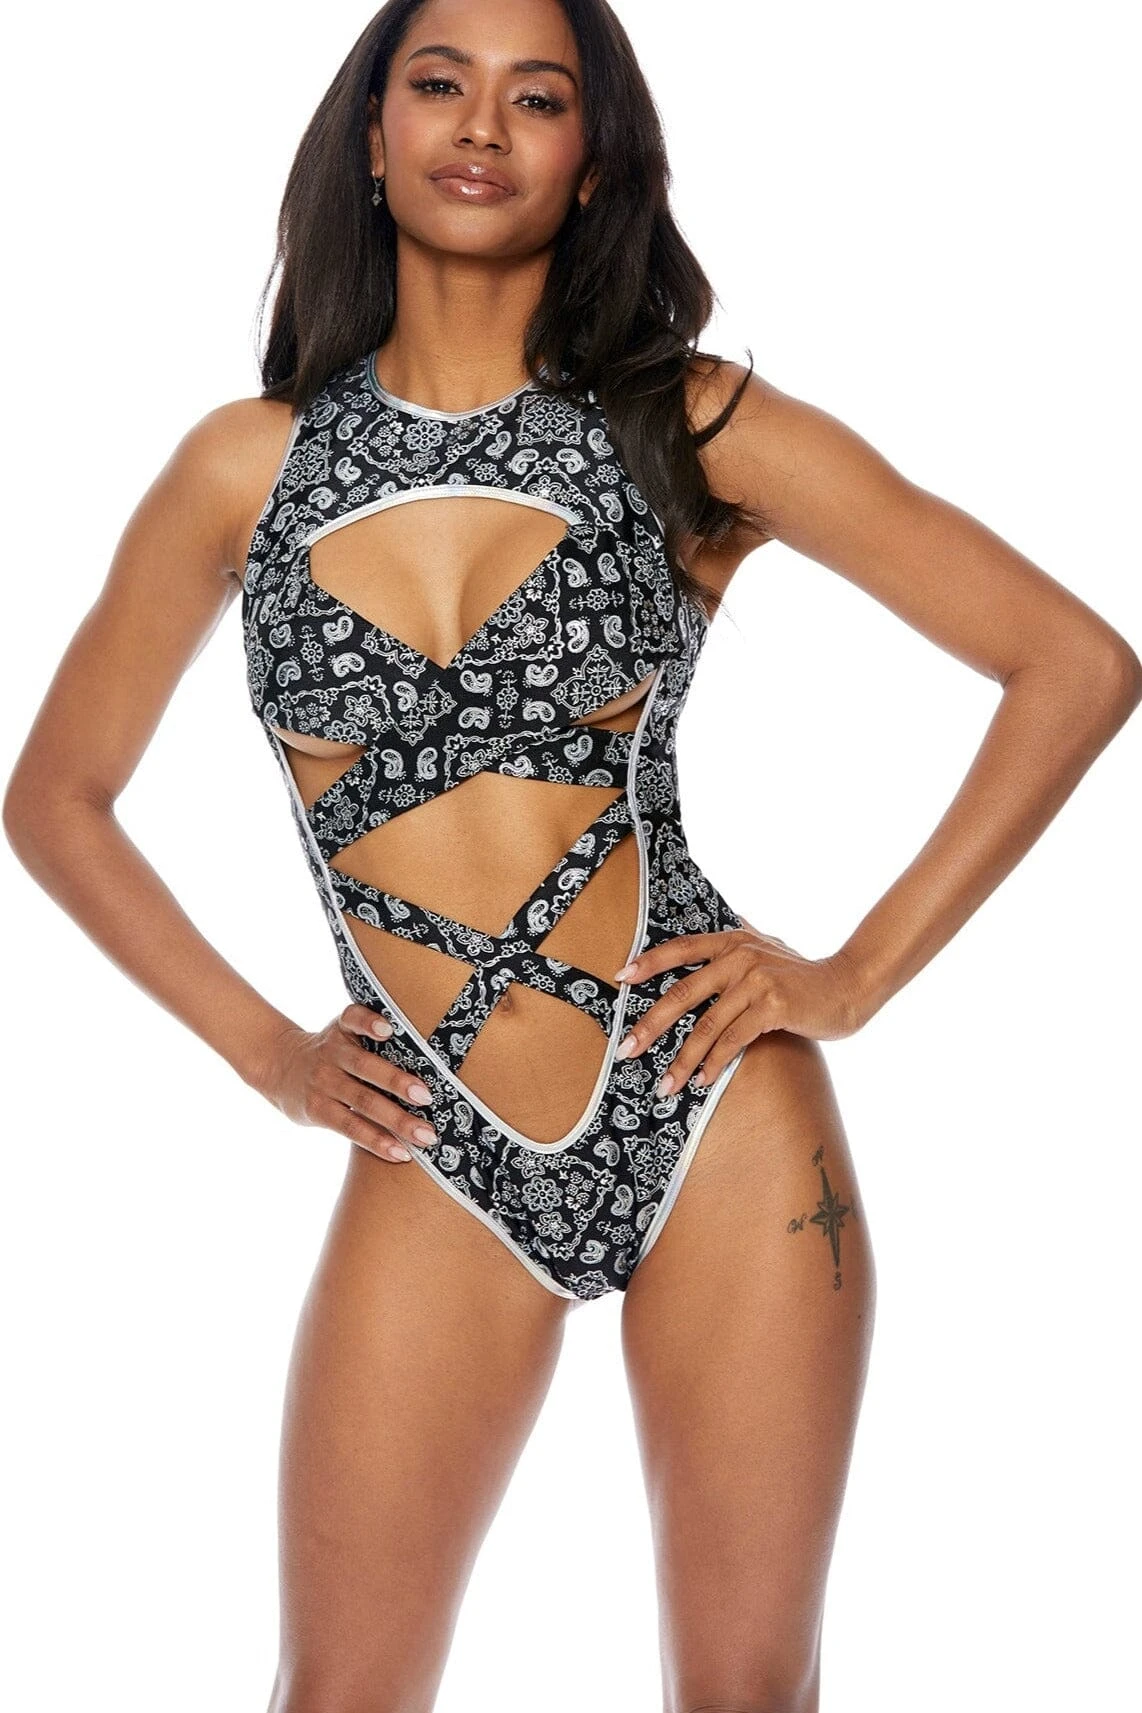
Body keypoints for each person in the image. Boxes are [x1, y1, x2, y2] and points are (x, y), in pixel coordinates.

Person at [5, 1, 1139, 1709]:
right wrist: (269, 1055)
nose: (481, 126)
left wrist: (849, 978)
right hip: (433, 1136)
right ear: (370, 136)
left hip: (709, 1106)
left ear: (592, 162)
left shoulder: (688, 423)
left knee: (745, 1691)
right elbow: (57, 797)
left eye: (537, 98)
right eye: (438, 84)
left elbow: (1072, 665)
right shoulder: (245, 466)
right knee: (338, 1693)